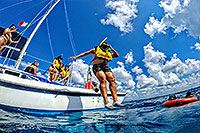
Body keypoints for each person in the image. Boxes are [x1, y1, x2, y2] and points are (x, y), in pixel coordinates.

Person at [69, 41, 124, 110]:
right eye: (104, 44)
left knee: (112, 80)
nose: (105, 45)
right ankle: (106, 102)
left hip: (105, 67)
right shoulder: (95, 50)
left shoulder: (108, 53)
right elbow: (85, 53)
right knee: (103, 79)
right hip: (97, 66)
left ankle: (115, 101)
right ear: (101, 45)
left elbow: (116, 55)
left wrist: (111, 48)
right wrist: (76, 57)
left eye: (106, 45)